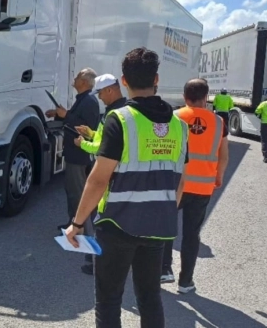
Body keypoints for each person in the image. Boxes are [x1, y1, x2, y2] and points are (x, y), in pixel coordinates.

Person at [64, 48, 189, 328]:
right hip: (158, 225)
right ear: (156, 79)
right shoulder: (180, 126)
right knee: (150, 297)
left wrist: (77, 223)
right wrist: (166, 211)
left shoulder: (119, 119)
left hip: (117, 224)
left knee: (109, 300)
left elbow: (98, 179)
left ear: (124, 81)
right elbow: (181, 180)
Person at [161, 78, 229, 294]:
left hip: (176, 183)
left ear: (184, 97)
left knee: (166, 226)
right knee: (192, 234)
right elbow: (223, 155)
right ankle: (185, 282)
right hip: (203, 187)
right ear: (206, 97)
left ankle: (165, 270)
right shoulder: (219, 122)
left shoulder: (174, 117)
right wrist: (219, 176)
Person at [73, 73, 127, 276]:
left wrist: (82, 143)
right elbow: (105, 139)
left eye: (101, 93)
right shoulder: (124, 111)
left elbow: (101, 148)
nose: (100, 98)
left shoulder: (112, 114)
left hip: (107, 176)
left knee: (101, 224)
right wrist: (92, 133)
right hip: (119, 175)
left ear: (110, 90)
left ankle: (96, 264)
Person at [45, 68, 100, 234]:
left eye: (77, 77)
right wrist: (59, 114)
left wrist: (66, 115)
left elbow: (88, 128)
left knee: (77, 192)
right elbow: (75, 120)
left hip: (79, 155)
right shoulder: (84, 99)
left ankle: (79, 228)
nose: (74, 79)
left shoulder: (89, 101)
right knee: (73, 190)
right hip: (75, 153)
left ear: (84, 82)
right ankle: (75, 224)